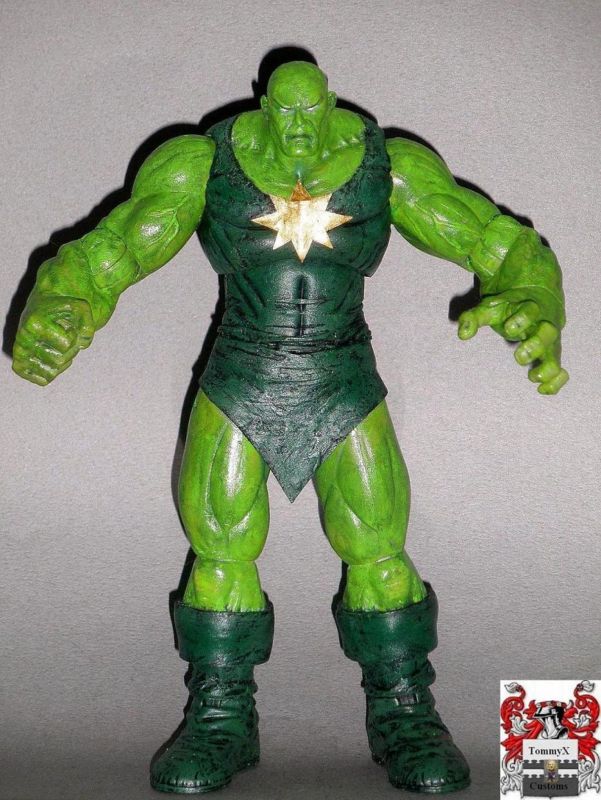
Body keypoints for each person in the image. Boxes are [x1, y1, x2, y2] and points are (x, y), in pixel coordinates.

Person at [12, 60, 568, 795]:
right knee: (219, 548)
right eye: (286, 115)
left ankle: (404, 711)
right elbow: (114, 247)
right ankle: (220, 717)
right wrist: (63, 304)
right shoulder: (202, 162)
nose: (301, 129)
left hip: (342, 376)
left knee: (378, 545)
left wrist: (534, 296)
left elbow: (497, 241)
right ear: (265, 108)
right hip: (242, 376)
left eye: (313, 114)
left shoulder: (386, 166)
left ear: (330, 104)